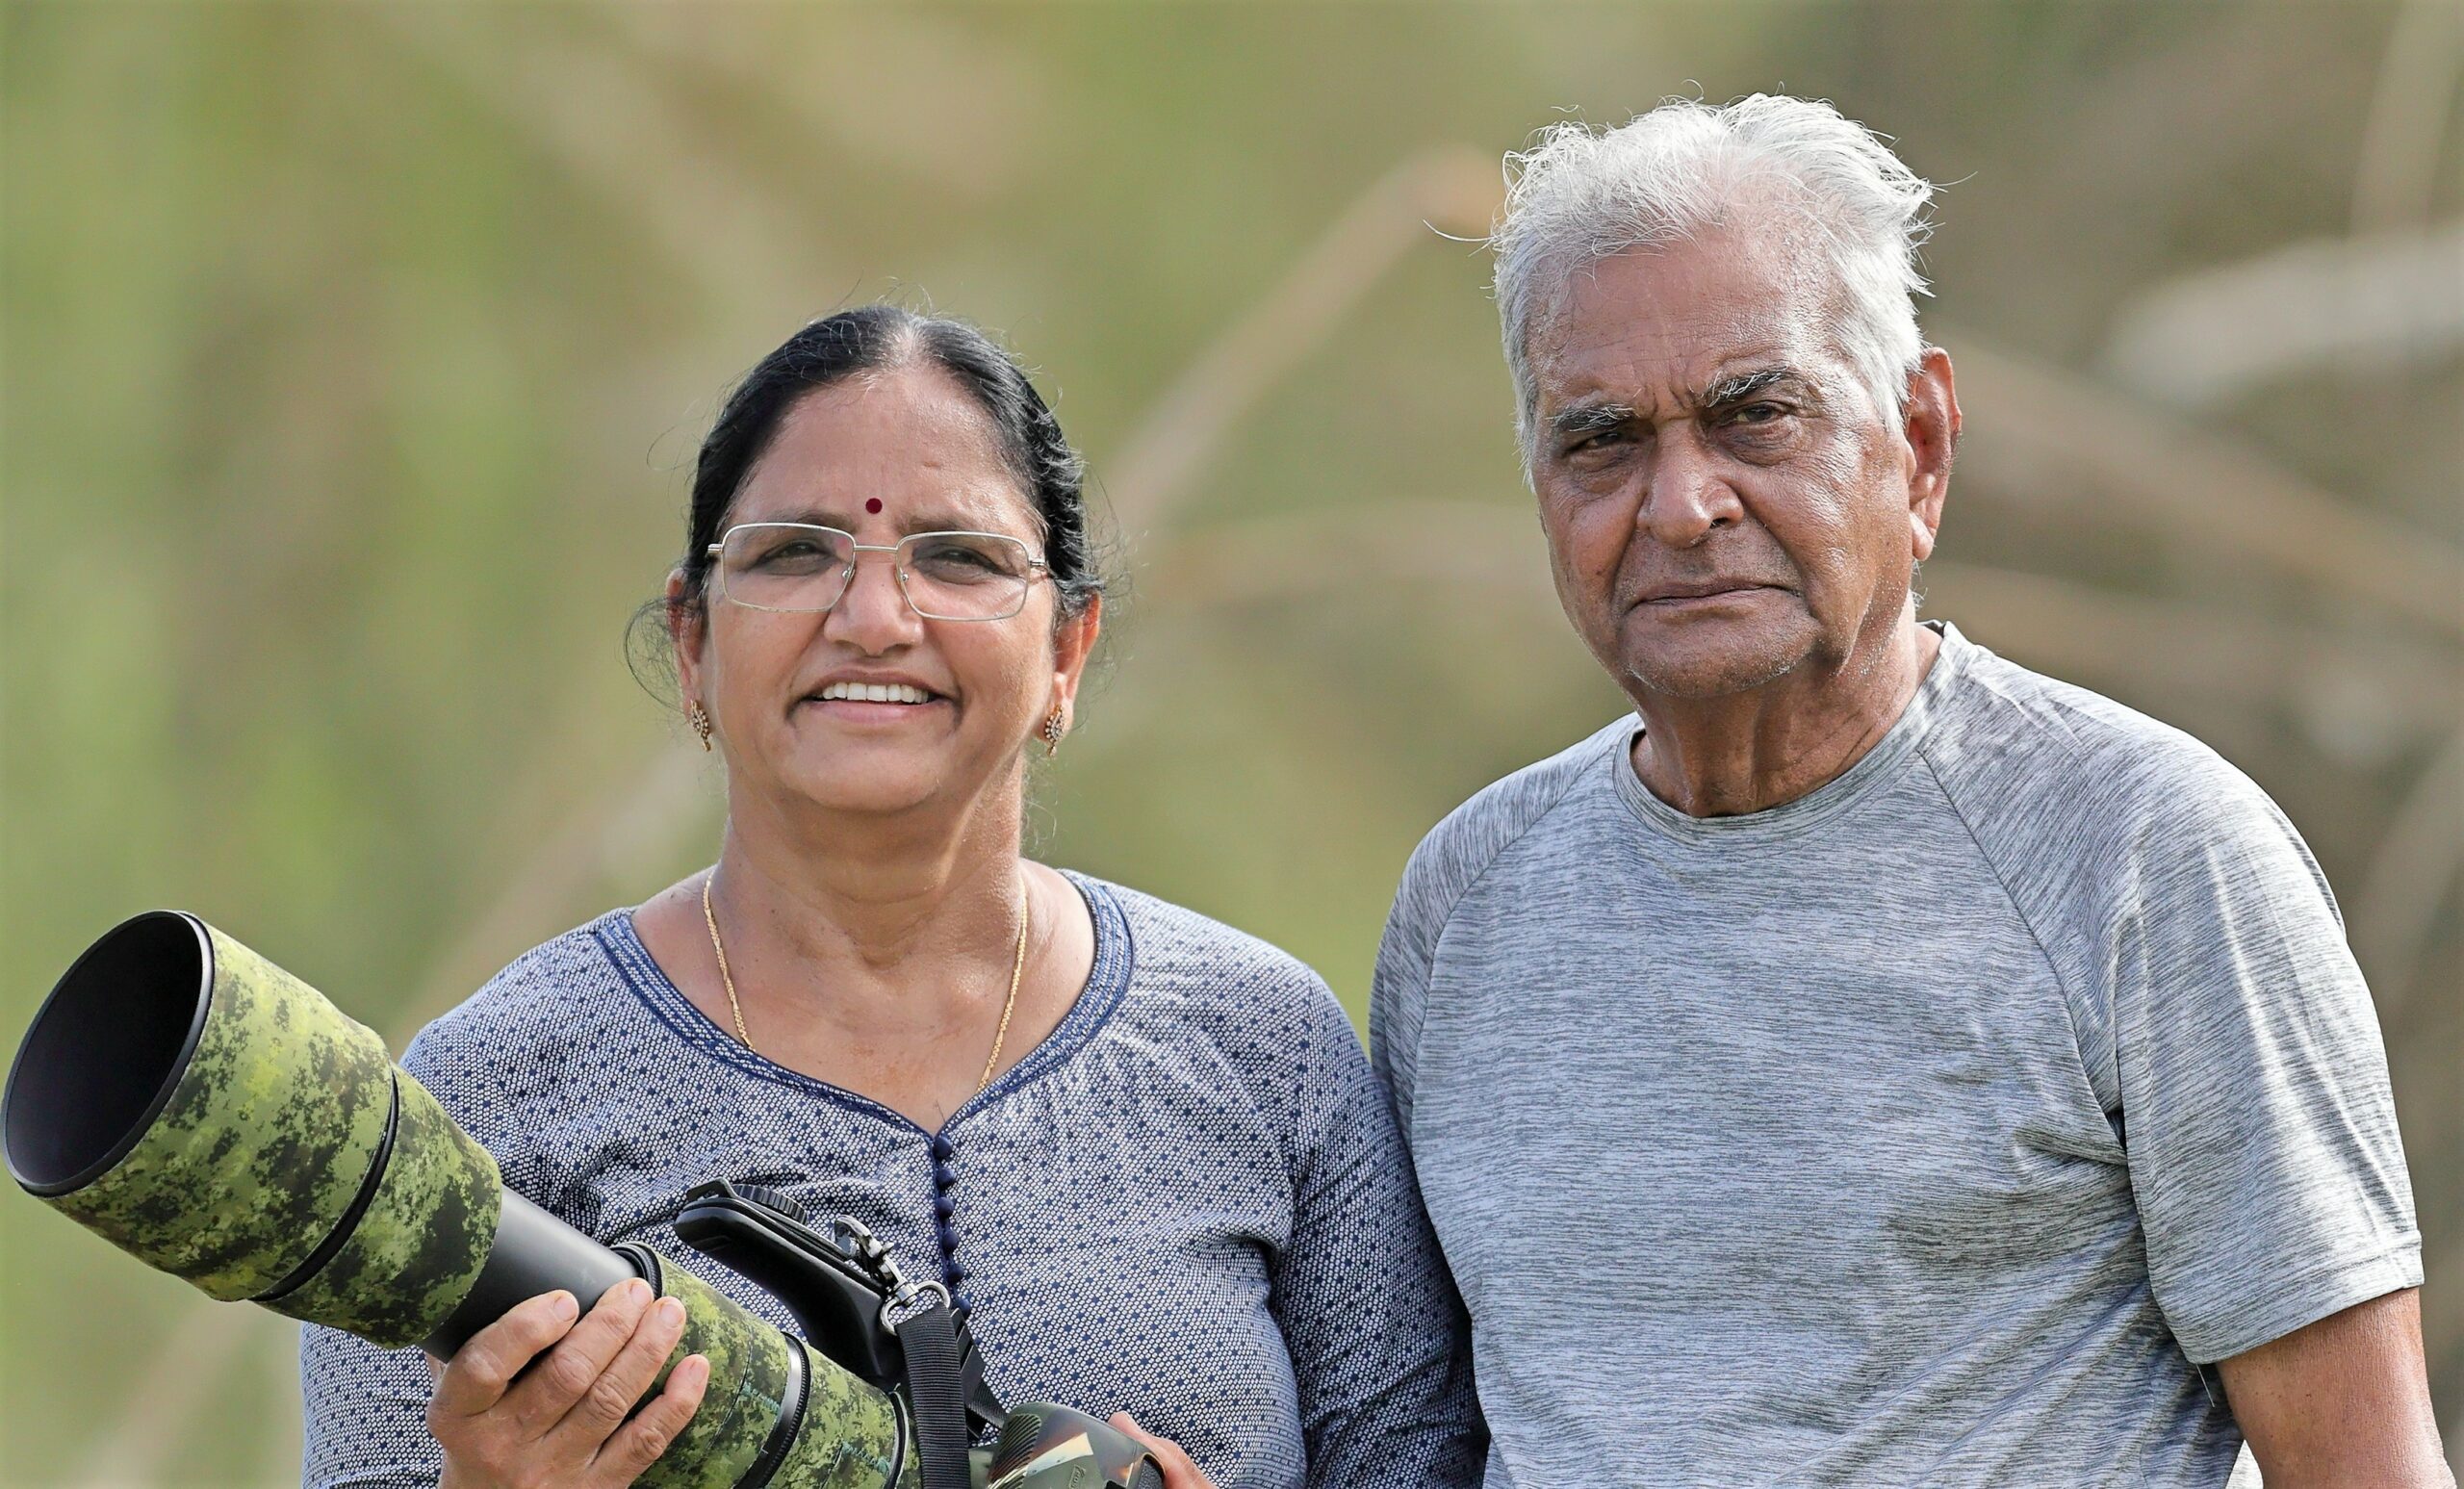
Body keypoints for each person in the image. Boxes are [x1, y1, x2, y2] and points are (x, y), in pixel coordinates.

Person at [1371, 96, 2447, 1486]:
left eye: (1757, 414)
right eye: (1603, 441)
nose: (1681, 501)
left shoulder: (2147, 854)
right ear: (1540, 489)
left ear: (1920, 443)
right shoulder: (1470, 898)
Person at [301, 306, 1481, 1489]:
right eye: (794, 552)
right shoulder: (495, 1093)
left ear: (1067, 649)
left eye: (957, 556)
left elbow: (1420, 1463)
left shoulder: (1262, 1049)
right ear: (694, 640)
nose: (873, 620)